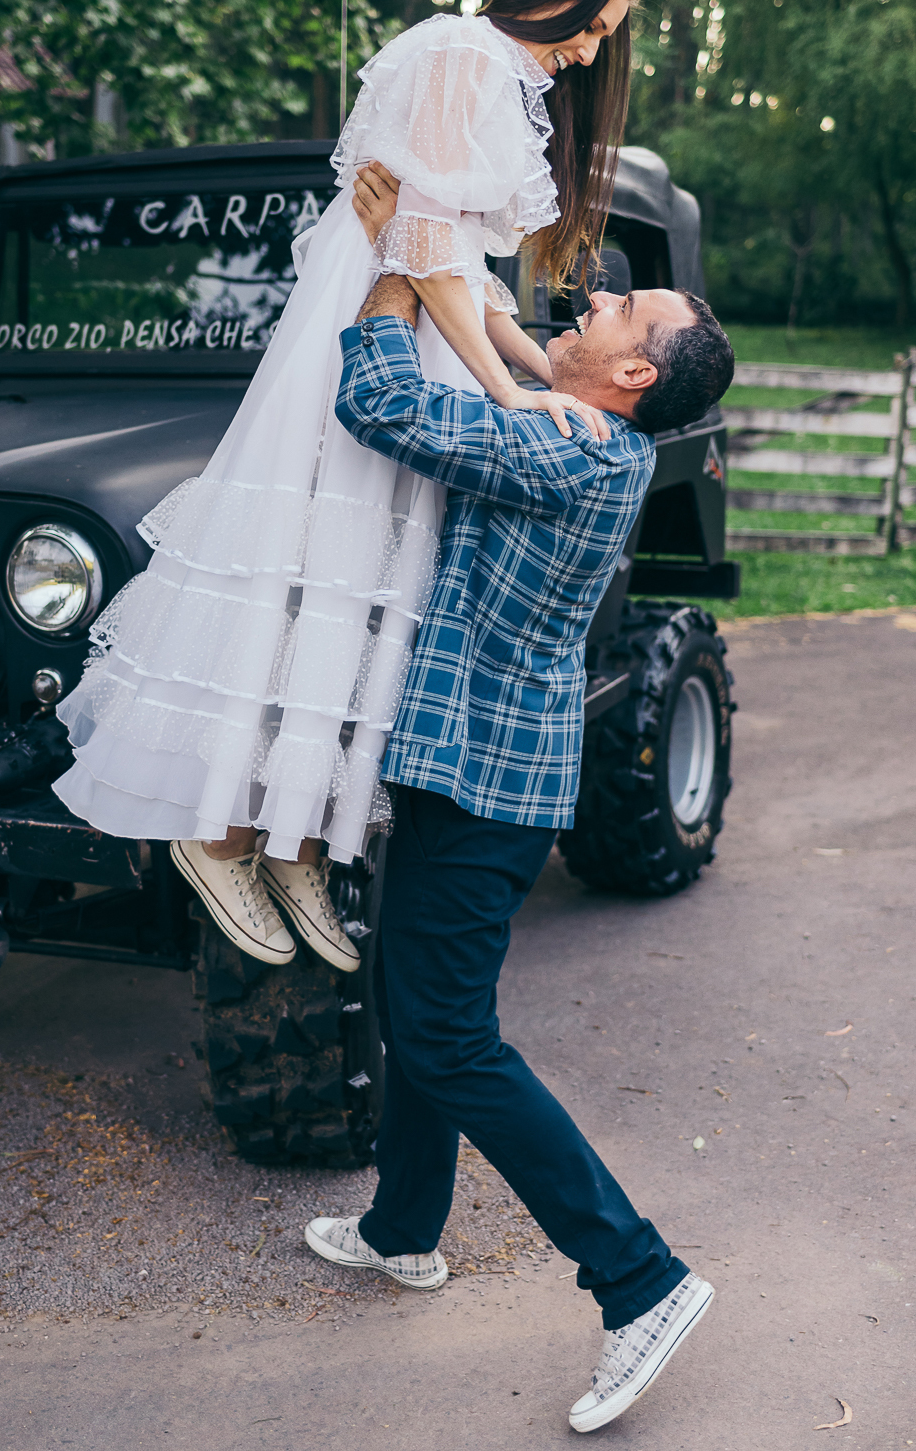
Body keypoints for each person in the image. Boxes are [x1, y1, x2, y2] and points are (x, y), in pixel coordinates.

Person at [53, 0, 641, 975]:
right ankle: (222, 823)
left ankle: (295, 832)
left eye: (602, 35)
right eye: (589, 26)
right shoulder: (464, 50)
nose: (590, 51)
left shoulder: (502, 75)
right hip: (385, 318)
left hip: (432, 315)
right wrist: (505, 386)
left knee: (377, 588)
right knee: (317, 567)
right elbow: (416, 243)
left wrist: (532, 362)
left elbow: (459, 253)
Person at [304, 263, 734, 1435]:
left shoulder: (577, 450)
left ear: (635, 372)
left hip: (487, 782)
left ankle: (640, 1278)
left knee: (449, 1038)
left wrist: (389, 279)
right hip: (465, 764)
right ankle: (404, 1230)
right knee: (413, 1002)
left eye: (620, 312)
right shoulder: (571, 418)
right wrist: (456, 267)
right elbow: (524, 347)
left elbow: (384, 407)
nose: (592, 302)